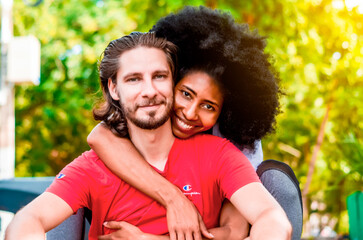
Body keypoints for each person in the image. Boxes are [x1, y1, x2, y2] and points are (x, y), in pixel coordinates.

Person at [5, 32, 291, 240]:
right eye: (134, 79)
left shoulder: (219, 155)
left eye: (159, 76)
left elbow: (273, 219)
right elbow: (27, 221)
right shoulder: (93, 167)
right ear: (114, 89)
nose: (149, 90)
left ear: (173, 81)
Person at [87, 6, 303, 240]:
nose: (190, 113)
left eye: (209, 106)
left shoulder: (231, 146)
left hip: (202, 227)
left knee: (274, 178)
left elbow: (236, 230)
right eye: (186, 94)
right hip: (126, 215)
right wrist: (175, 200)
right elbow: (99, 136)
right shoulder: (148, 108)